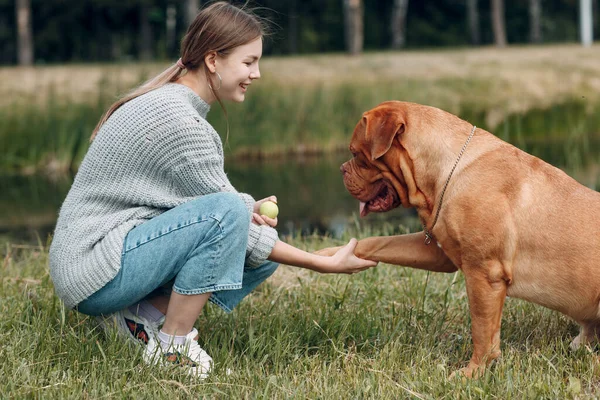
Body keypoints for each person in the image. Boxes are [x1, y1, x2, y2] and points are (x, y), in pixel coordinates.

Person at [49, 1, 377, 378]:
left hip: (98, 265)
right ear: (213, 60)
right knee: (236, 220)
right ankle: (172, 345)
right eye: (249, 61)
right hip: (93, 272)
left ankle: (140, 317)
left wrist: (244, 210)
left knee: (245, 226)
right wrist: (322, 263)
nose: (257, 74)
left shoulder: (171, 102)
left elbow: (197, 205)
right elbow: (226, 217)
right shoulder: (181, 121)